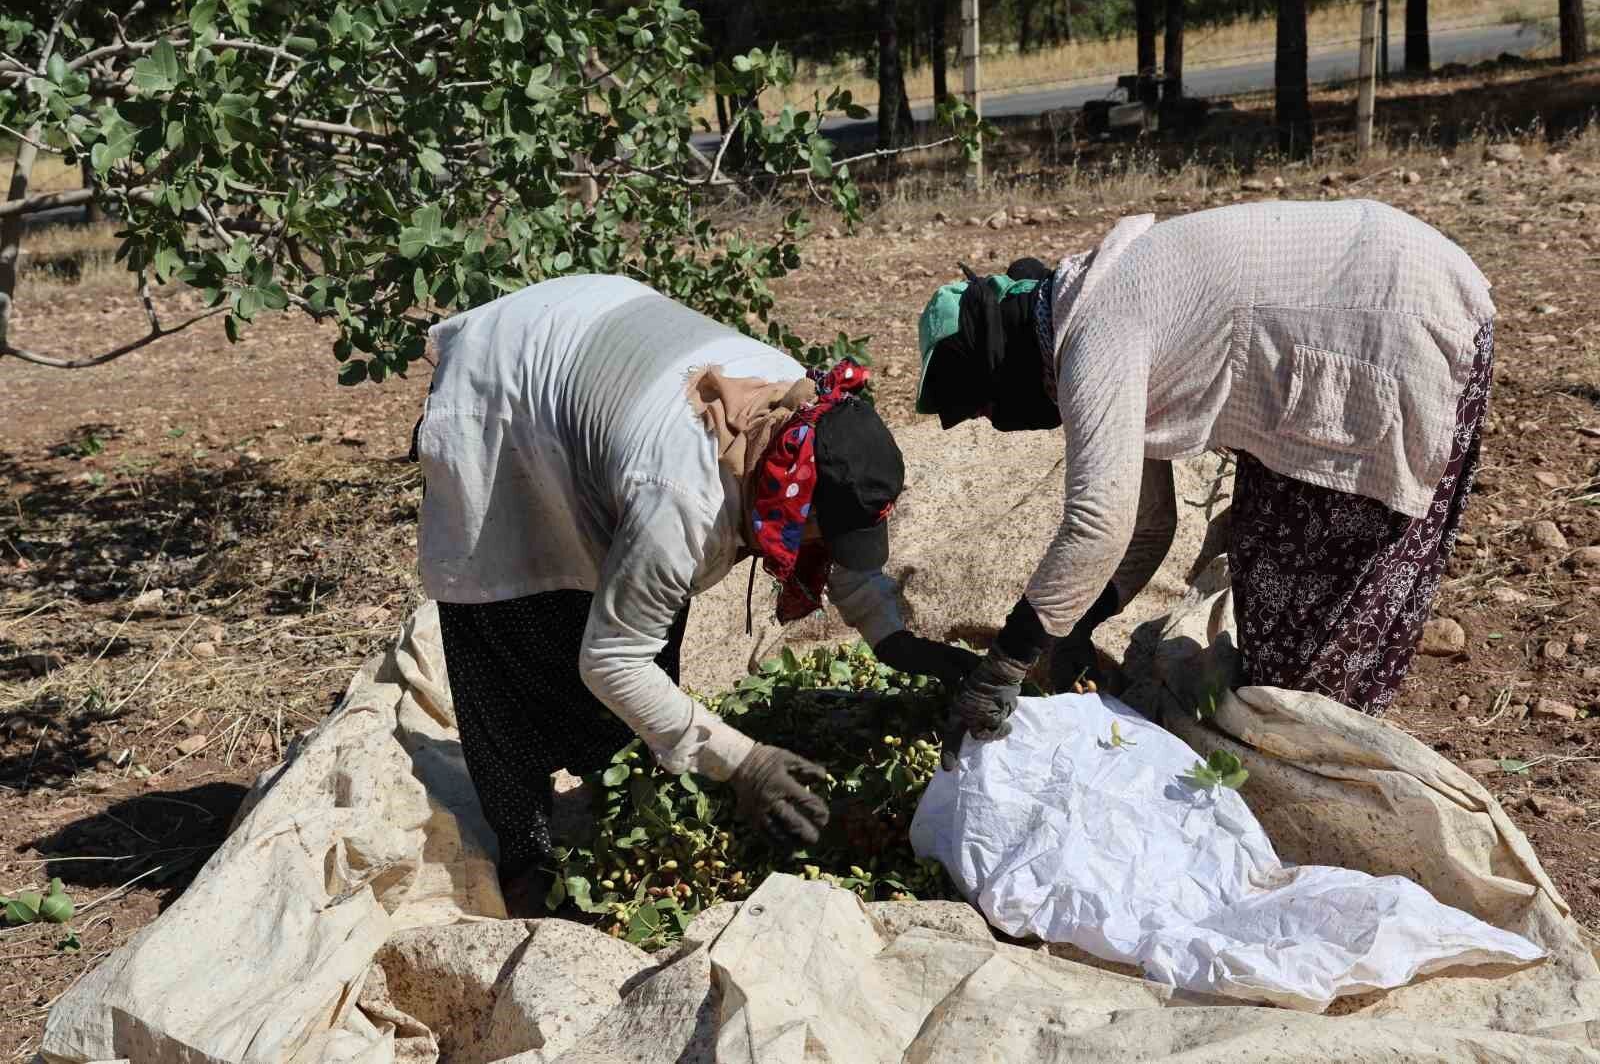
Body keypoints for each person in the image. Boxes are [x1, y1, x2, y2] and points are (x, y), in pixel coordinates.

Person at [413, 274, 977, 910]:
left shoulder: (802, 418)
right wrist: (746, 763)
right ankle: (527, 855)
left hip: (594, 348)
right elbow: (612, 659)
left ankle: (621, 798)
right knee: (511, 640)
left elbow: (835, 537)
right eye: (821, 535)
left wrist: (897, 641)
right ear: (792, 501)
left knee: (632, 643)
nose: (824, 554)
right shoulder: (683, 497)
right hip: (503, 393)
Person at [914, 199, 1496, 761]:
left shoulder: (1096, 337)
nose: (999, 421)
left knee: (1316, 625)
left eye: (989, 409)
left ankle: (1331, 775)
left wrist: (1004, 665)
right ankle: (1306, 737)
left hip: (1394, 323)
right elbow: (1149, 526)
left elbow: (1099, 526)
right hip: (1370, 292)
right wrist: (1074, 626)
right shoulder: (1080, 309)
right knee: (1265, 565)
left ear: (1003, 364)